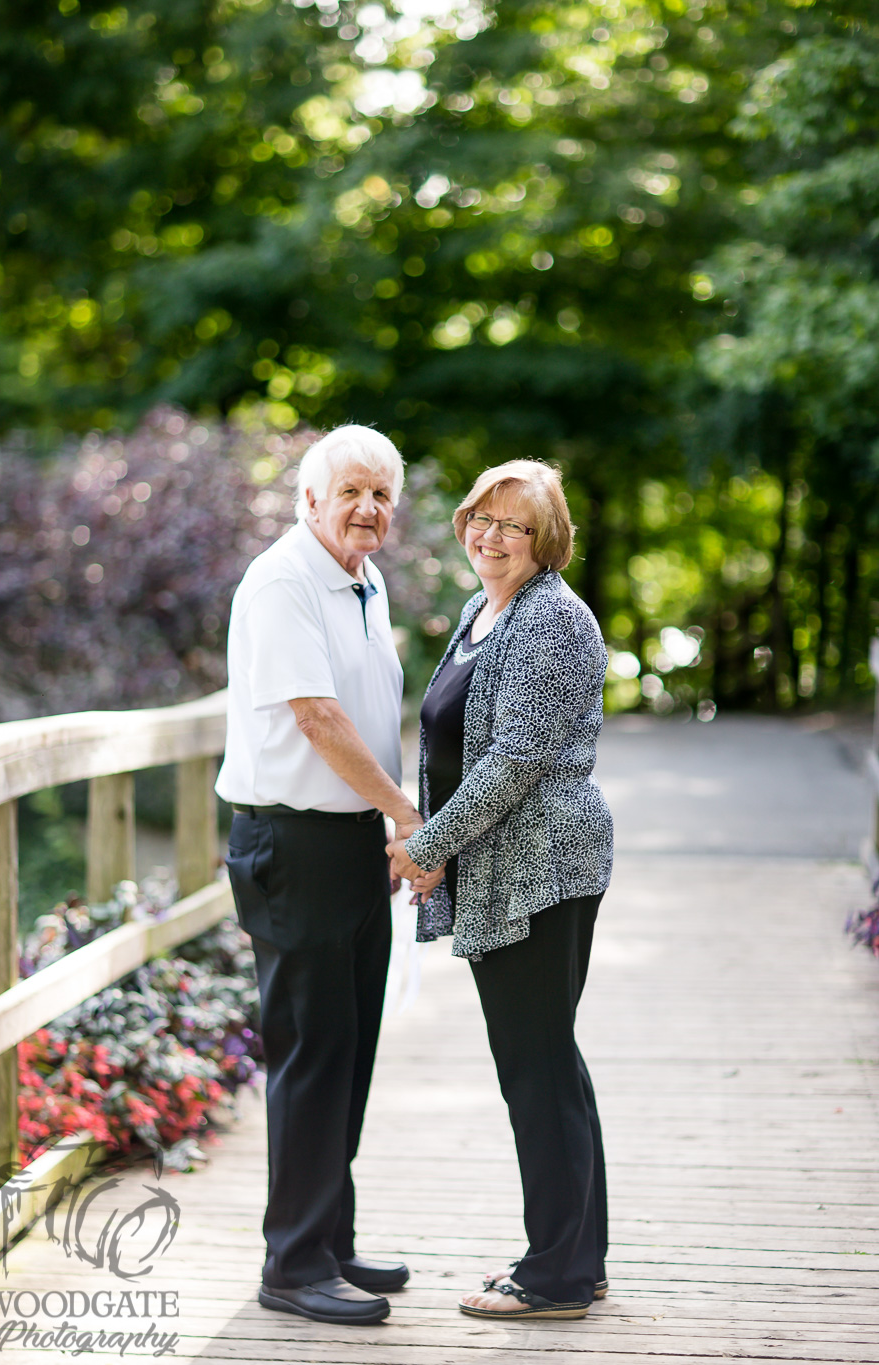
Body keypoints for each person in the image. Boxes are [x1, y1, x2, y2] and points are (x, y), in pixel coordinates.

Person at [387, 459, 614, 1321]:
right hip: (508, 863)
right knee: (548, 1060)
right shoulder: (486, 611)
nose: (491, 534)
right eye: (482, 516)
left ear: (545, 539)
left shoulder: (551, 617)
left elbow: (516, 756)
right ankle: (575, 1259)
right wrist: (439, 839)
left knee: (536, 1065)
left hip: (541, 869)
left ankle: (553, 1275)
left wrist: (427, 844)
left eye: (514, 524)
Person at [216, 424, 423, 1326]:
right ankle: (293, 1265)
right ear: (309, 499)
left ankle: (327, 1240)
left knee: (349, 1049)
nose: (368, 508)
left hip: (345, 845)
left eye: (382, 494)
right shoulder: (284, 579)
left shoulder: (364, 580)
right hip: (291, 845)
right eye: (351, 491)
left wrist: (380, 822)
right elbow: (316, 717)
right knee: (309, 1055)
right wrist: (409, 815)